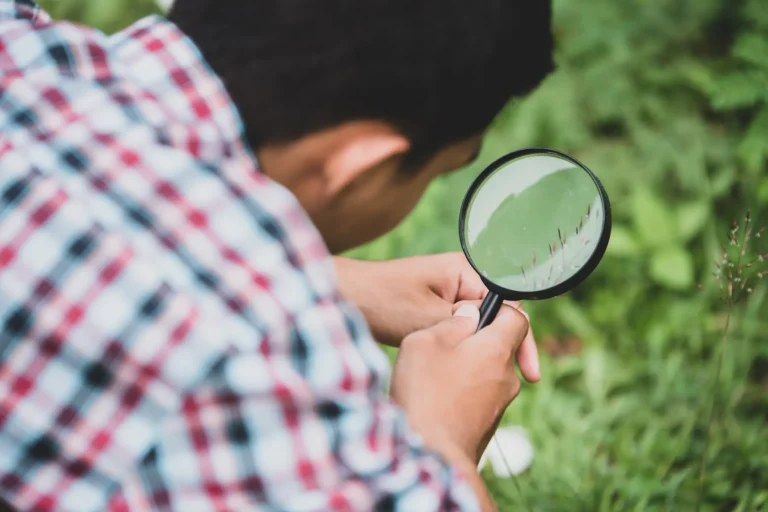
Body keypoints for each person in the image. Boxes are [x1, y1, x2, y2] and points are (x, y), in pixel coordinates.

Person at [0, 0, 554, 510]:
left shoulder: (19, 39)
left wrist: (335, 283)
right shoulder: (257, 362)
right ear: (358, 168)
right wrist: (442, 445)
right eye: (436, 174)